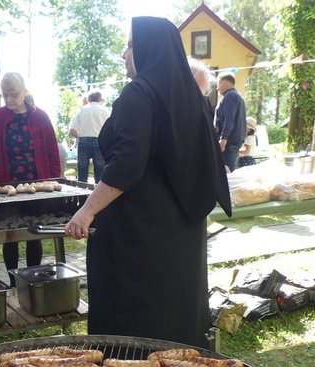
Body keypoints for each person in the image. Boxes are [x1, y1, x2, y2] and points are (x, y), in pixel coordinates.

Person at [64, 17, 231, 349]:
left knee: (135, 317)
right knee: (174, 310)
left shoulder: (139, 93)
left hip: (139, 232)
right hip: (181, 228)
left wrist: (85, 212)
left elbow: (126, 166)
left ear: (145, 49)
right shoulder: (188, 95)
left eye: (128, 46)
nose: (124, 54)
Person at [0, 72, 61, 286]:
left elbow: (52, 153)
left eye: (13, 95)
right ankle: (13, 282)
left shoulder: (40, 117)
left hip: (38, 187)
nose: (9, 100)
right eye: (5, 95)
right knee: (12, 235)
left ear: (25, 91)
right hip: (8, 187)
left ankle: (32, 280)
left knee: (35, 233)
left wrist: (54, 184)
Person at [69, 90, 110, 183]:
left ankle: (81, 195)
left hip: (83, 140)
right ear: (101, 99)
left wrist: (80, 136)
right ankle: (98, 195)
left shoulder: (82, 110)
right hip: (99, 141)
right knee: (100, 174)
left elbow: (72, 130)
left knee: (82, 175)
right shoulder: (105, 111)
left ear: (89, 99)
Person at [214, 73, 247, 173]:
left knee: (225, 172)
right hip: (234, 141)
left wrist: (223, 139)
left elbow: (229, 118)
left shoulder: (229, 96)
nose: (217, 88)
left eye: (218, 83)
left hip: (229, 142)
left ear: (225, 82)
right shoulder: (238, 96)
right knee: (229, 171)